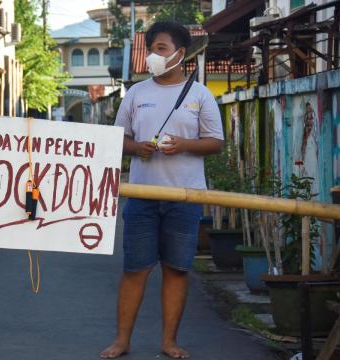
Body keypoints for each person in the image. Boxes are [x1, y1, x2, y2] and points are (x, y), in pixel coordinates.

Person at [100, 22, 224, 359]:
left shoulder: (200, 94)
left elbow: (216, 142)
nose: (155, 54)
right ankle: (122, 341)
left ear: (180, 54)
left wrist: (185, 145)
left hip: (185, 197)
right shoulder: (136, 93)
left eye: (162, 48)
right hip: (142, 195)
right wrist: (135, 147)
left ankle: (169, 342)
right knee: (135, 269)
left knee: (176, 269)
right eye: (152, 48)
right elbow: (117, 138)